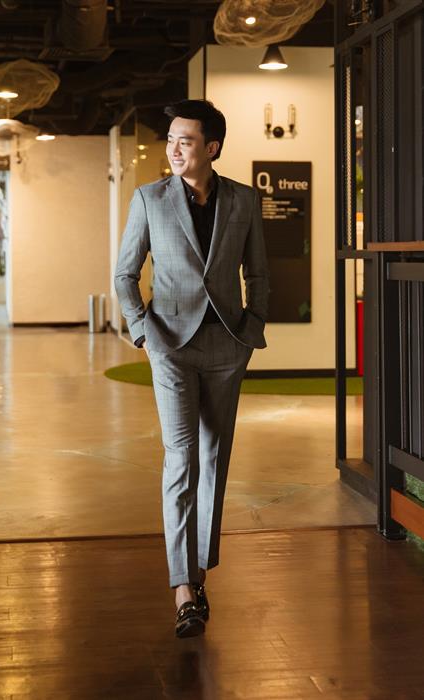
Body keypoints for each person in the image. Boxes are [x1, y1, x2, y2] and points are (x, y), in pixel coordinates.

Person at [115, 99, 269, 638]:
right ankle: (183, 588)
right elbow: (124, 274)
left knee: (214, 457)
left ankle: (199, 572)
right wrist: (143, 332)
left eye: (185, 140)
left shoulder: (244, 200)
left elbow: (259, 273)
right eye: (171, 140)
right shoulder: (149, 199)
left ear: (212, 147)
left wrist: (251, 329)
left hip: (228, 347)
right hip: (171, 348)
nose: (174, 149)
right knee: (181, 459)